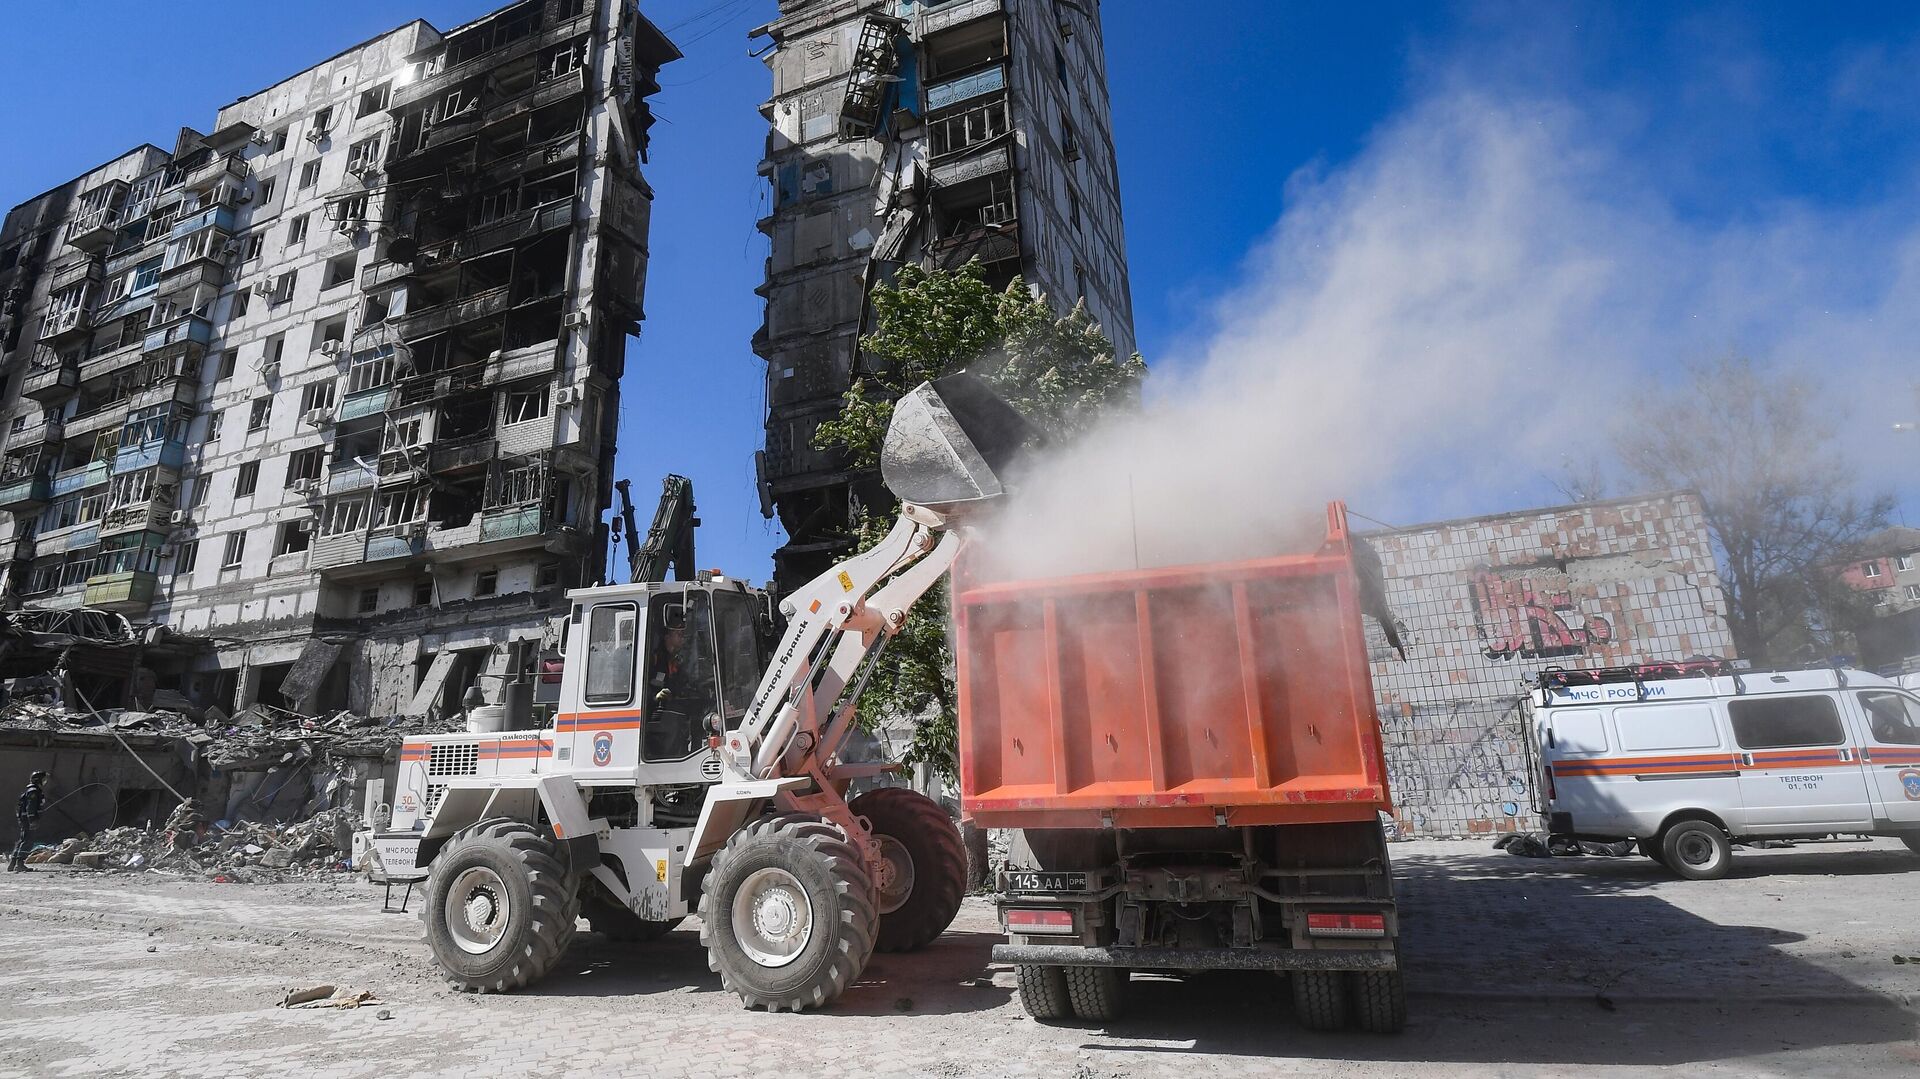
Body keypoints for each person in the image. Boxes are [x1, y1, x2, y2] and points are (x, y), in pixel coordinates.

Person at [9, 771, 48, 872]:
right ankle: (20, 863)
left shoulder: (32, 790)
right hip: (28, 820)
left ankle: (13, 863)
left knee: (22, 839)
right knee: (28, 840)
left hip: (25, 819)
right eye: (43, 779)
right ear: (38, 780)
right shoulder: (33, 791)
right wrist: (32, 820)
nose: (45, 781)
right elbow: (30, 807)